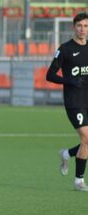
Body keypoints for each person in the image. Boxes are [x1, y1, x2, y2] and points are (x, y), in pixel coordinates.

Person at [46, 12, 88, 191]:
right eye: (79, 26)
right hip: (74, 101)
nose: (82, 29)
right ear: (74, 27)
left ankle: (67, 153)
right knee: (86, 137)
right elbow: (50, 75)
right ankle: (79, 181)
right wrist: (69, 80)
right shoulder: (65, 49)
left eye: (86, 26)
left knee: (87, 142)